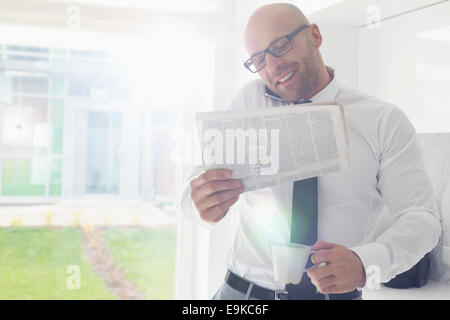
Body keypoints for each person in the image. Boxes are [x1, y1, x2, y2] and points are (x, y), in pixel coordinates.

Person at [180, 3, 441, 300]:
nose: (273, 66)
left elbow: (422, 217)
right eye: (259, 60)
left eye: (280, 46)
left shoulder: (383, 121)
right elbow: (196, 185)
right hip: (241, 296)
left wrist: (366, 263)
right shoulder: (250, 101)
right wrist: (200, 201)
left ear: (315, 35)